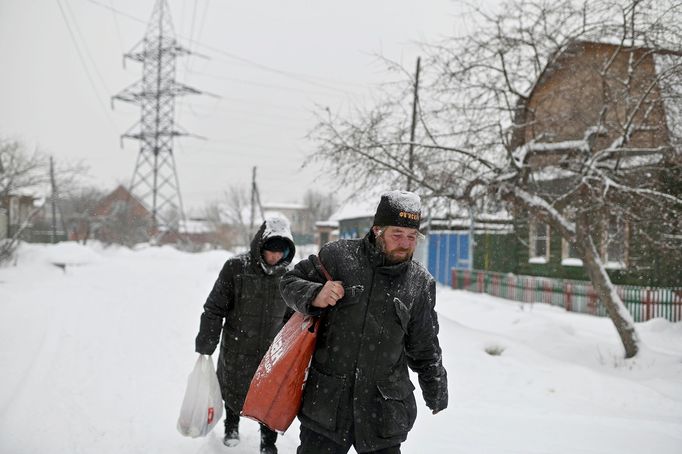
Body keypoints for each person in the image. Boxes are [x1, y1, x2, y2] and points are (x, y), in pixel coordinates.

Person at [280, 190, 448, 454]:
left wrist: (435, 386)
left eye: (412, 237)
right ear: (377, 230)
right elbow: (289, 282)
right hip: (327, 404)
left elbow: (424, 345)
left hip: (384, 410)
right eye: (397, 235)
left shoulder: (420, 283)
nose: (405, 244)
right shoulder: (338, 257)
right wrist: (315, 294)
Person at [195, 217, 296, 454]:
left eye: (281, 252)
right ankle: (231, 426)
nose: (275, 257)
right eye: (270, 250)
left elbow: (293, 315)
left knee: (270, 395)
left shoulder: (289, 275)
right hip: (237, 344)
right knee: (233, 387)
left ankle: (268, 441)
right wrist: (207, 341)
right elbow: (214, 307)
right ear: (260, 245)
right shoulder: (236, 268)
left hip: (271, 349)